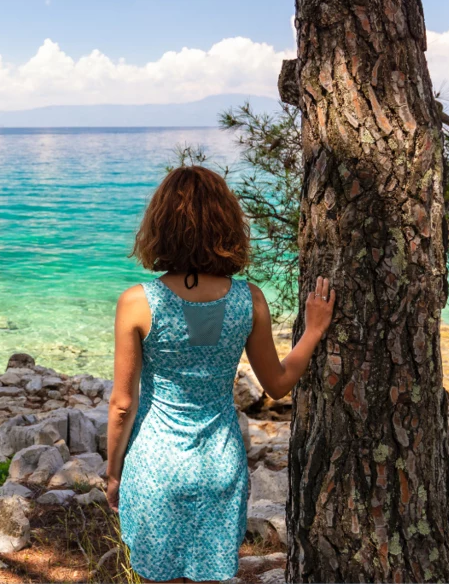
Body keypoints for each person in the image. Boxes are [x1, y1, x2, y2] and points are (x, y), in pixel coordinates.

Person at [105, 165, 335, 583]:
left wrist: (113, 471)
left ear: (160, 227)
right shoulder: (250, 299)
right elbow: (278, 384)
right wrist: (314, 330)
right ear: (226, 226)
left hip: (156, 465)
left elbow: (123, 404)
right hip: (220, 463)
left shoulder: (137, 302)